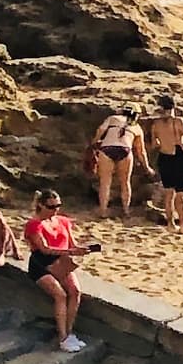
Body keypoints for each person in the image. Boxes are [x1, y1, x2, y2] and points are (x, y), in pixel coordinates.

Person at [22, 189, 87, 351]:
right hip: (41, 263)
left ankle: (69, 331)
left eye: (57, 206)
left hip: (60, 260)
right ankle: (62, 336)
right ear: (41, 205)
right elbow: (44, 249)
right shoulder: (34, 224)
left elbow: (71, 243)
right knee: (60, 295)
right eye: (51, 207)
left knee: (75, 291)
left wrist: (81, 250)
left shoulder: (63, 221)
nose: (55, 210)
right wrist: (70, 252)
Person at [144, 97, 183, 227]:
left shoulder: (156, 124)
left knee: (169, 194)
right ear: (173, 107)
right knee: (181, 195)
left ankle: (171, 225)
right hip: (177, 157)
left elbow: (154, 144)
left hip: (164, 158)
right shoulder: (178, 121)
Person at [86, 103, 137, 216]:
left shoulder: (112, 118)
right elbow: (141, 150)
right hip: (125, 150)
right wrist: (147, 166)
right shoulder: (136, 126)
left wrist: (94, 143)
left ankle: (103, 210)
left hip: (107, 148)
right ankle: (126, 210)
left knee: (105, 182)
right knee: (125, 182)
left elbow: (101, 130)